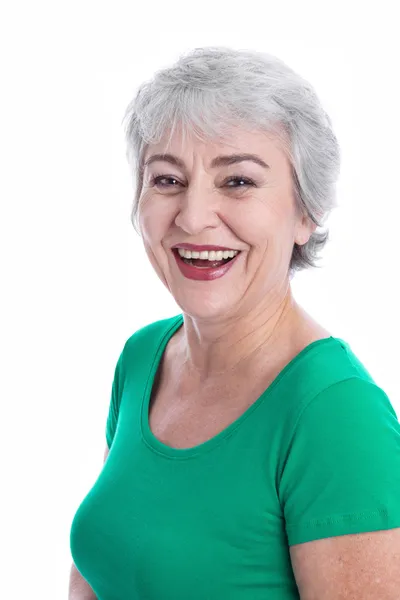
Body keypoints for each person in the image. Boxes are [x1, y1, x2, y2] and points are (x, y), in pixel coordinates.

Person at [68, 46, 400, 599]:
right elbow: (101, 569)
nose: (194, 217)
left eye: (238, 182)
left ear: (305, 212)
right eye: (168, 180)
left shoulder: (337, 416)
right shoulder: (142, 358)